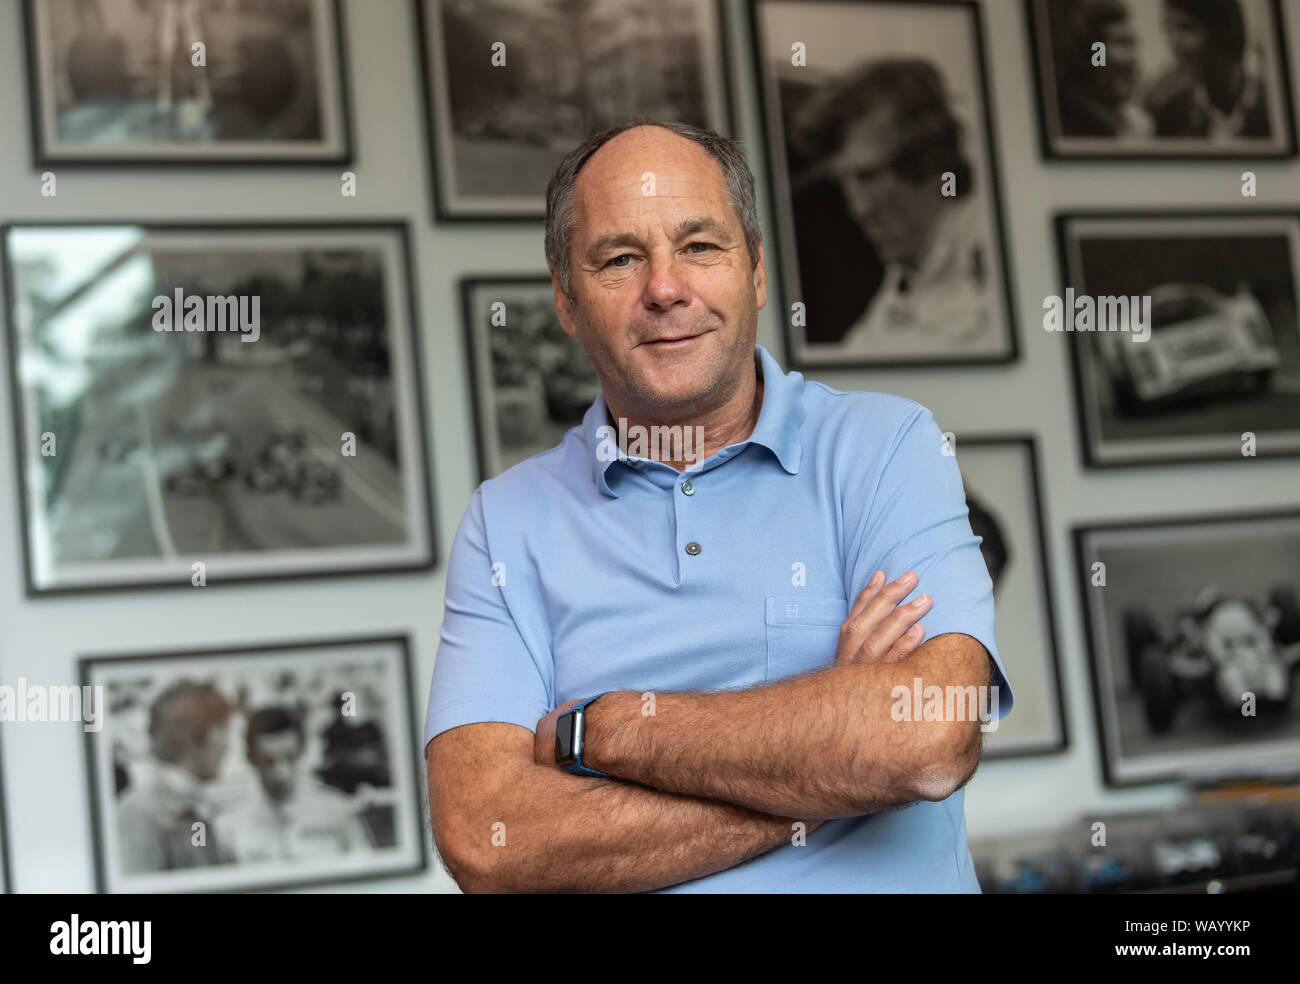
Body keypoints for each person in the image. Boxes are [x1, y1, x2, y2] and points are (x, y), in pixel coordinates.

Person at [424, 119, 1013, 893]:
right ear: (566, 300)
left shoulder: (888, 445)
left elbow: (932, 736)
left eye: (700, 246)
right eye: (620, 258)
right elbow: (489, 841)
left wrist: (606, 729)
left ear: (758, 272)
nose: (665, 288)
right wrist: (835, 758)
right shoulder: (505, 521)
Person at [798, 60, 994, 354]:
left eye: (870, 177)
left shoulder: (996, 251)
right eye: (844, 183)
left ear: (929, 158)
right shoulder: (904, 278)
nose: (859, 209)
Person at [215, 706, 372, 862]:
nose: (281, 773)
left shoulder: (338, 812)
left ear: (302, 752)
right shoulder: (230, 828)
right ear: (251, 758)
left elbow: (367, 873)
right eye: (269, 762)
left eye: (290, 758)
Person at [116, 680, 234, 873]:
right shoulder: (139, 813)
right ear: (194, 738)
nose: (227, 746)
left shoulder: (197, 809)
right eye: (222, 730)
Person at [1144, 0, 1272, 141]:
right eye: (1168, 30)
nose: (1174, 43)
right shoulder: (1173, 115)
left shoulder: (1270, 104)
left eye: (1186, 28)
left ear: (1221, 31)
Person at [1047, 0, 1153, 138]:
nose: (1133, 60)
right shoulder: (1059, 126)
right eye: (1121, 43)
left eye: (1132, 44)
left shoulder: (1137, 125)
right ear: (1088, 55)